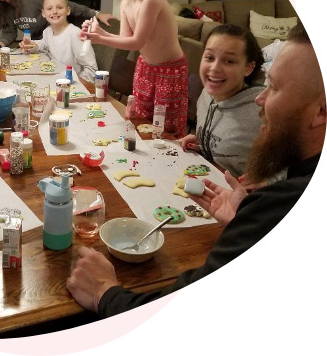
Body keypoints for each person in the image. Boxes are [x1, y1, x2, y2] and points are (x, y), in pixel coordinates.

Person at [67, 23, 324, 316]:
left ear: (321, 111)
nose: (260, 99)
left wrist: (104, 292)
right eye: (209, 56)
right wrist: (242, 218)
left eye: (274, 87)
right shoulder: (208, 99)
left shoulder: (280, 203)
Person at [80, 0, 188, 136]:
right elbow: (126, 40)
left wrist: (100, 39)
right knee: (142, 118)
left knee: (166, 125)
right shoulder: (126, 3)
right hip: (145, 67)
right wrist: (100, 34)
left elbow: (138, 42)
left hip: (171, 69)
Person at [178, 24, 265, 177]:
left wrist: (258, 185)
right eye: (209, 57)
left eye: (229, 61)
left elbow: (291, 172)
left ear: (248, 68)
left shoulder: (263, 110)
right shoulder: (206, 94)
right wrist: (205, 145)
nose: (215, 68)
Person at [20, 0, 98, 83]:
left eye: (59, 7)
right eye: (49, 8)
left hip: (72, 84)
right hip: (56, 78)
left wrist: (75, 83)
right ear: (43, 13)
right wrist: (32, 45)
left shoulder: (76, 34)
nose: (54, 12)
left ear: (68, 11)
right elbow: (44, 45)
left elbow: (91, 69)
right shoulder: (47, 31)